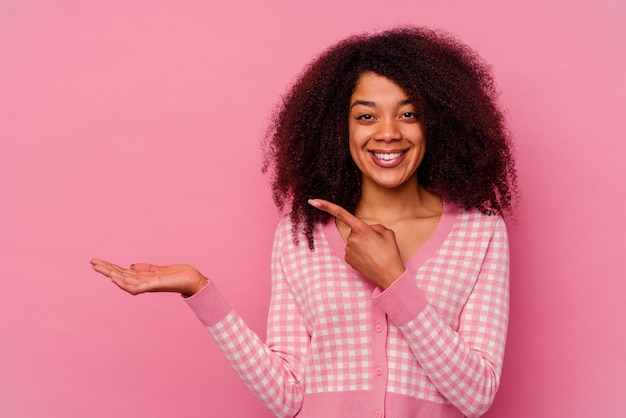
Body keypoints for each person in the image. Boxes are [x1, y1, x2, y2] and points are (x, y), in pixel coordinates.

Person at [91, 26, 517, 418]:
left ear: (436, 123)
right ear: (340, 129)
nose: (388, 132)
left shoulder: (479, 231)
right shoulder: (301, 235)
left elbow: (476, 395)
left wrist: (393, 279)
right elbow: (287, 395)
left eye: (408, 114)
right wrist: (199, 290)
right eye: (366, 116)